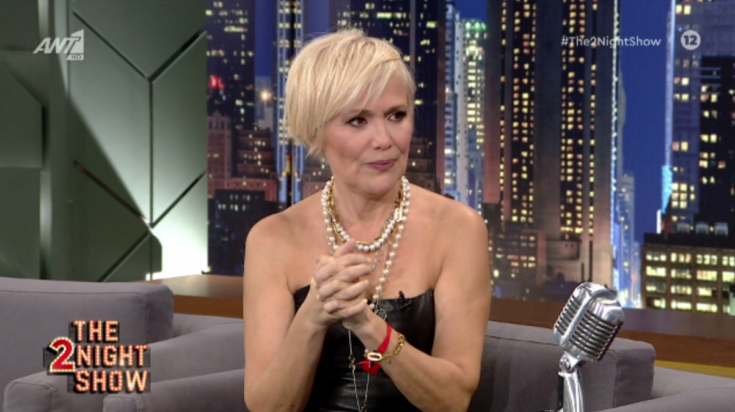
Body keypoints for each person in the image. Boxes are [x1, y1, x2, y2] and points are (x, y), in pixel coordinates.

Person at [243, 28, 492, 412]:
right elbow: (267, 408)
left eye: (397, 116)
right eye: (358, 120)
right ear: (316, 131)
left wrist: (369, 326)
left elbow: (453, 399)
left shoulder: (458, 229)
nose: (384, 139)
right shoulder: (271, 239)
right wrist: (313, 316)